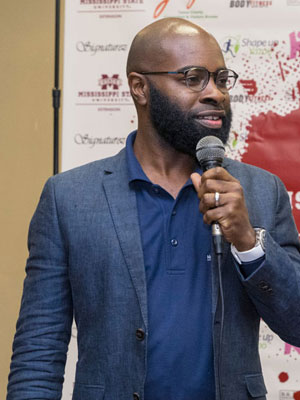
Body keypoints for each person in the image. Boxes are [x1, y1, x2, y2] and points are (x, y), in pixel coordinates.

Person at [6, 18, 300, 400]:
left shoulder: (261, 191)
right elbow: (38, 352)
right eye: (193, 77)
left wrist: (248, 242)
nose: (216, 93)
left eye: (220, 78)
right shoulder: (69, 198)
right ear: (139, 87)